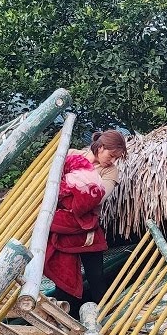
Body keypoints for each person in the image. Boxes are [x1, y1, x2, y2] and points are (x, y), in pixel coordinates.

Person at [45, 130, 128, 311]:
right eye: (111, 155)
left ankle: (104, 316)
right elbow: (47, 179)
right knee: (64, 276)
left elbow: (98, 197)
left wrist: (69, 189)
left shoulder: (111, 171)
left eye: (117, 158)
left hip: (87, 229)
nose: (112, 161)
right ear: (100, 147)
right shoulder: (72, 155)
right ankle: (65, 319)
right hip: (61, 227)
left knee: (96, 276)